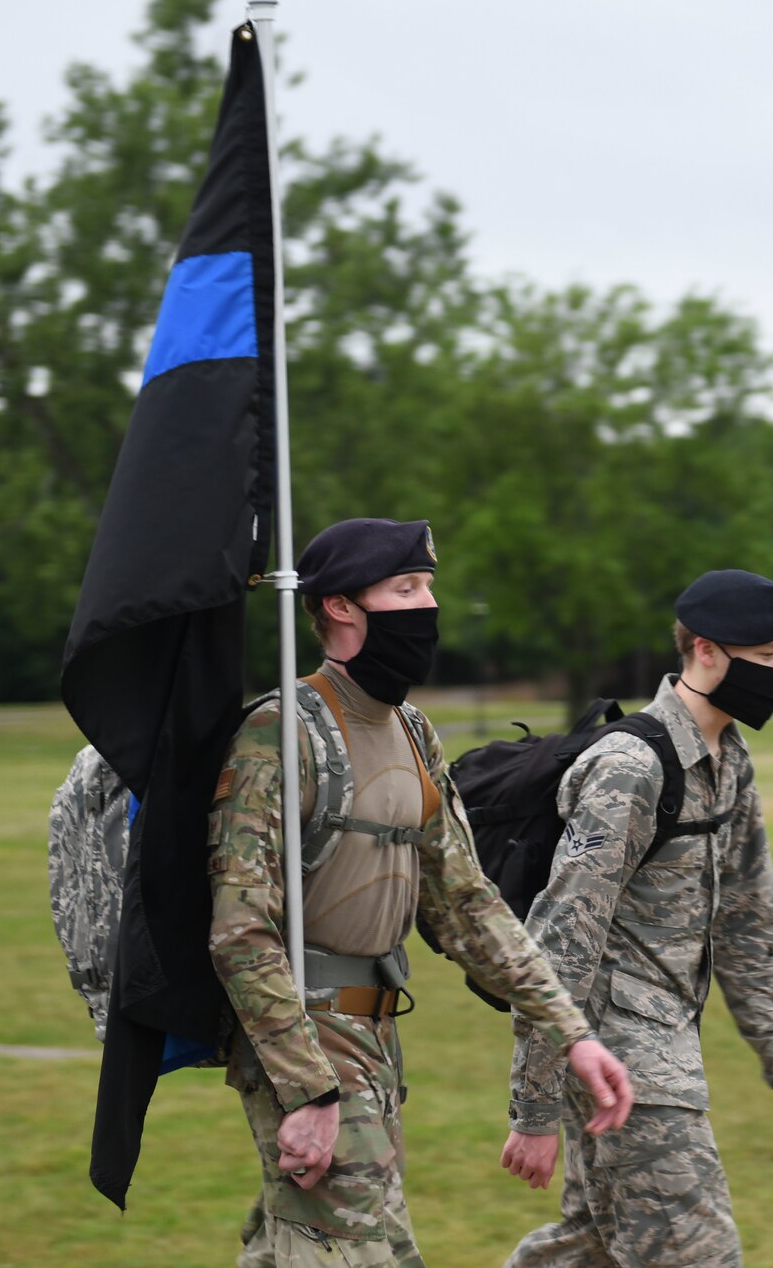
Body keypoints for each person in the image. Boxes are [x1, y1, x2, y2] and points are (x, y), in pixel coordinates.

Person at [208, 517, 633, 1266]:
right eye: (406, 588)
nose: (427, 606)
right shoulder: (282, 732)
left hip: (376, 1035)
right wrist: (307, 1089)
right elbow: (241, 930)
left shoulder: (412, 729)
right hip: (307, 1033)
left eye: (429, 587)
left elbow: (467, 903)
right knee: (366, 1250)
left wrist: (573, 1030)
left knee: (303, 1244)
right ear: (341, 606)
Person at [501, 568, 773, 1267]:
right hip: (620, 1054)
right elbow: (560, 939)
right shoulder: (629, 767)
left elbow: (749, 917)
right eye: (768, 653)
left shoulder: (728, 757)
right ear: (705, 650)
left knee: (592, 1244)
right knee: (698, 1253)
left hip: (666, 1041)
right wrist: (532, 1108)